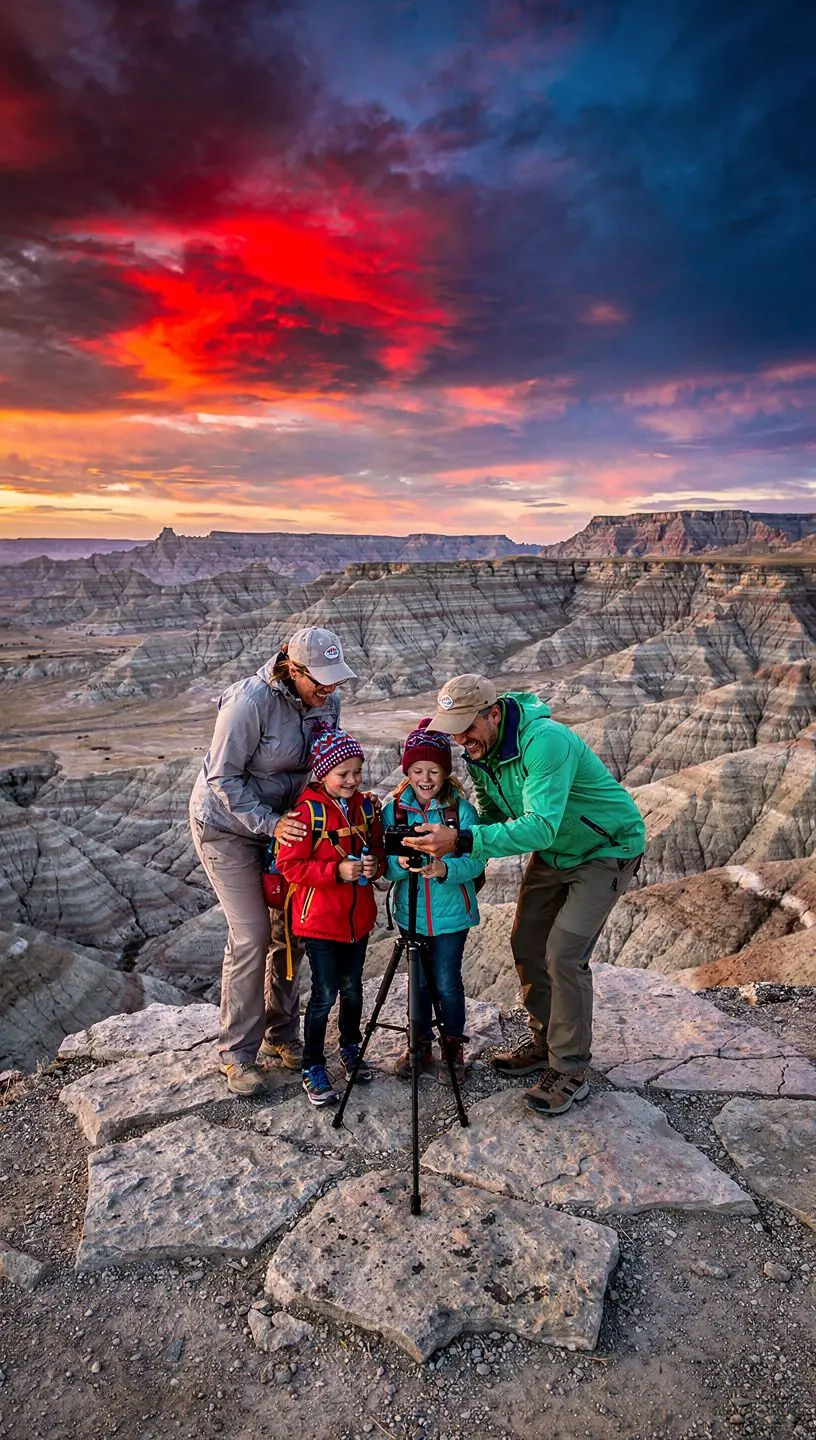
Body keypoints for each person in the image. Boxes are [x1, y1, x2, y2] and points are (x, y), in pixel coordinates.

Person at [405, 673, 646, 1115]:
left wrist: (460, 841)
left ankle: (570, 1070)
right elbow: (492, 813)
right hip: (556, 851)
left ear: (494, 714)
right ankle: (544, 1043)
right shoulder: (481, 752)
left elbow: (540, 826)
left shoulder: (545, 742)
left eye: (467, 727)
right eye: (453, 730)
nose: (461, 739)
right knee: (526, 941)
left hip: (605, 848)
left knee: (564, 954)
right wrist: (458, 850)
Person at [189, 626, 356, 1096]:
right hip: (227, 827)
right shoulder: (249, 702)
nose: (329, 689)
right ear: (293, 668)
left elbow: (324, 767)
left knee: (292, 930)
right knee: (252, 934)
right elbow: (222, 777)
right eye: (320, 680)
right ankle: (237, 1054)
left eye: (335, 679)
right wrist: (270, 823)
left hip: (287, 827)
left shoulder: (327, 703)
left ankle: (282, 1034)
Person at [276, 727, 385, 1106]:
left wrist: (374, 866)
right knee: (324, 994)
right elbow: (289, 866)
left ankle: (350, 1047)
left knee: (353, 988)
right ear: (323, 774)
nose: (352, 780)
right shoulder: (306, 814)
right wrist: (334, 871)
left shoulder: (367, 808)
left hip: (358, 921)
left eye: (358, 771)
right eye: (343, 774)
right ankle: (313, 1065)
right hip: (320, 923)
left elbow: (378, 849)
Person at [381, 720, 484, 1085]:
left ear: (446, 772)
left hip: (452, 916)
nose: (425, 778)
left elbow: (477, 861)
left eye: (434, 771)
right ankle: (419, 1044)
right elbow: (387, 868)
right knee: (419, 984)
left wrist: (444, 868)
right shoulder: (394, 812)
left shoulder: (461, 813)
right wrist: (400, 863)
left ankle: (452, 1048)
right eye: (418, 770)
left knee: (447, 982)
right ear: (407, 772)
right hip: (410, 914)